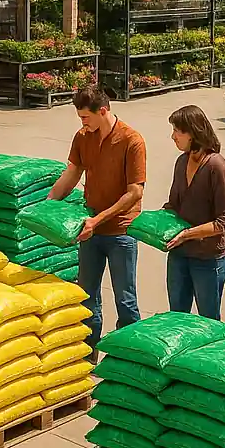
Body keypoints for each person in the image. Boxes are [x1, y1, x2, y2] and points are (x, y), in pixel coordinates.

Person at [49, 85, 146, 353]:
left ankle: (128, 358)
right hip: (90, 230)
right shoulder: (83, 137)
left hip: (120, 232)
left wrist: (99, 219)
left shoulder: (131, 140)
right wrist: (47, 206)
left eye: (85, 117)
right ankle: (87, 354)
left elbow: (135, 192)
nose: (82, 123)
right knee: (87, 296)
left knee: (125, 299)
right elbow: (72, 173)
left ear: (103, 111)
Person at [163, 104, 225, 320]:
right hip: (180, 255)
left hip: (208, 258)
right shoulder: (181, 162)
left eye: (177, 131)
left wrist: (187, 234)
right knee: (177, 318)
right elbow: (173, 205)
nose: (173, 136)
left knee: (208, 320)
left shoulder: (216, 166)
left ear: (193, 133)